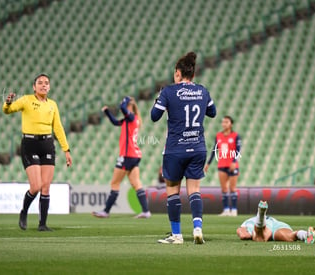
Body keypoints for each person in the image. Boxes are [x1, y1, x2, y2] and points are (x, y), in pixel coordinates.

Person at [151, 52, 216, 244]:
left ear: (178, 73)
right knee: (194, 190)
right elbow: (213, 112)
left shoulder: (168, 91)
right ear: (193, 75)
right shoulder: (203, 91)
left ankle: (177, 235)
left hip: (175, 149)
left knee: (172, 190)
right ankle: (197, 228)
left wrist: (160, 98)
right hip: (197, 147)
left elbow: (154, 116)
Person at [2, 73, 72, 231]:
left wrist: (66, 150)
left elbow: (58, 127)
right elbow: (9, 110)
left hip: (47, 144)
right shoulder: (26, 100)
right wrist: (7, 103)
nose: (44, 85)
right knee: (36, 186)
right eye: (40, 83)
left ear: (50, 86)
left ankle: (42, 224)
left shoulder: (52, 104)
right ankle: (24, 211)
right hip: (30, 143)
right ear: (34, 87)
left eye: (46, 83)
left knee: (46, 186)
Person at [92, 96, 151, 219]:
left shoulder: (131, 118)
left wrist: (124, 100)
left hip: (127, 155)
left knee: (115, 182)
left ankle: (106, 211)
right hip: (135, 155)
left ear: (130, 107)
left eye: (126, 105)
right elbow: (115, 122)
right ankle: (146, 211)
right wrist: (107, 112)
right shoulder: (129, 120)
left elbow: (122, 108)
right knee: (136, 183)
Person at [204, 115, 241, 216]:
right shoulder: (218, 135)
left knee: (233, 188)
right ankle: (225, 210)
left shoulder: (235, 136)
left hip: (232, 165)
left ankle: (233, 210)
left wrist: (234, 161)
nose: (224, 124)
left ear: (231, 124)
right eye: (223, 122)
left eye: (226, 122)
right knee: (224, 188)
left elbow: (238, 150)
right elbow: (214, 150)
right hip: (222, 164)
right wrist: (208, 163)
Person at [236, 201, 315, 243]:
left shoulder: (247, 224)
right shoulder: (246, 225)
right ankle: (305, 234)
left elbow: (243, 235)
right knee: (289, 235)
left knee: (259, 237)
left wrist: (246, 234)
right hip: (276, 224)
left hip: (260, 226)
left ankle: (261, 215)